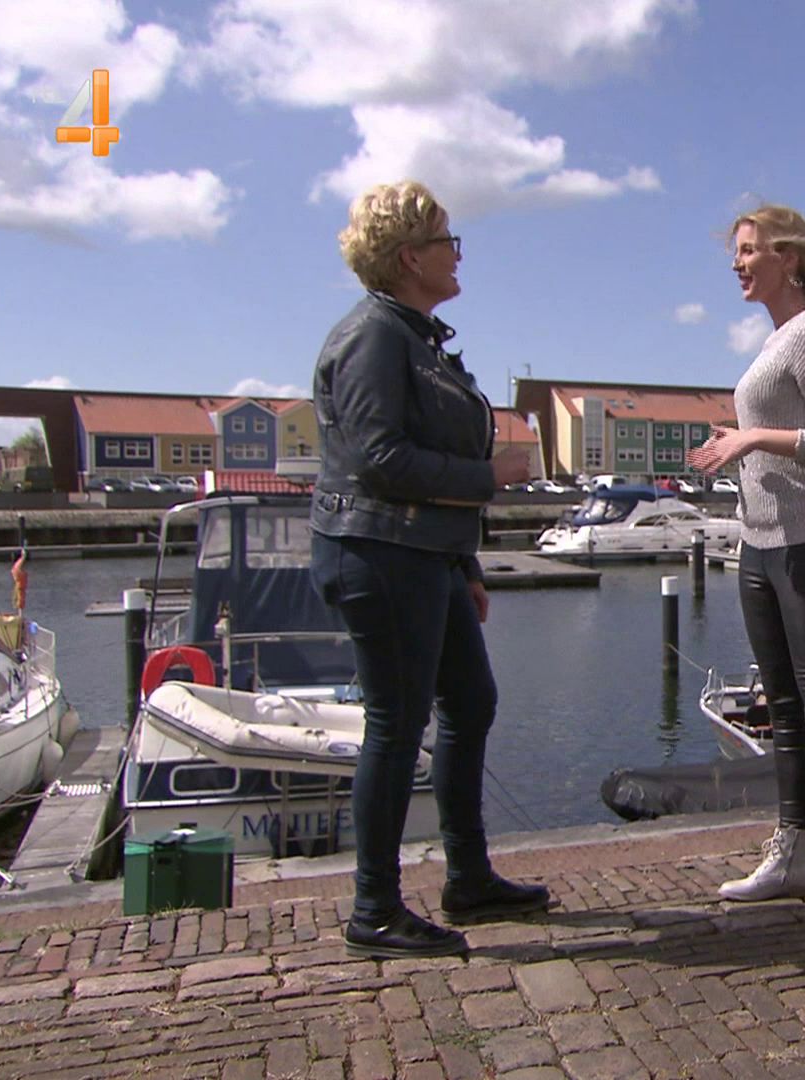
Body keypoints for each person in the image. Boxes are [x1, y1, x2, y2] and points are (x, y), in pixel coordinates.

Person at [311, 180, 547, 960]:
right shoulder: (373, 338)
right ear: (411, 256)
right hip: (380, 553)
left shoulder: (414, 337)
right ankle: (374, 909)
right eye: (448, 240)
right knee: (395, 723)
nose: (458, 254)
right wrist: (490, 477)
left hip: (427, 555)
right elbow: (380, 460)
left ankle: (468, 878)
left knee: (471, 703)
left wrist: (463, 561)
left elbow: (419, 454)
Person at [687, 204, 805, 944]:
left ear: (787, 259)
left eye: (748, 250)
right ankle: (792, 857)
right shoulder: (774, 341)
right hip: (758, 547)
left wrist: (754, 436)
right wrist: (742, 442)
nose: (736, 263)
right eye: (735, 251)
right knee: (783, 710)